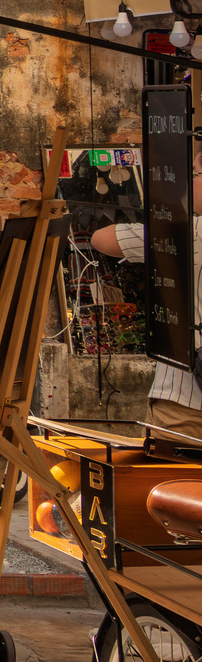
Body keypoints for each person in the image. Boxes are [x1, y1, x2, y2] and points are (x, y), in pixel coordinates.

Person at [91, 150, 202, 444]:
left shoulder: (186, 233)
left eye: (193, 174)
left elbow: (101, 239)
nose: (188, 182)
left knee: (171, 486)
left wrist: (175, 209)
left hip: (186, 403)